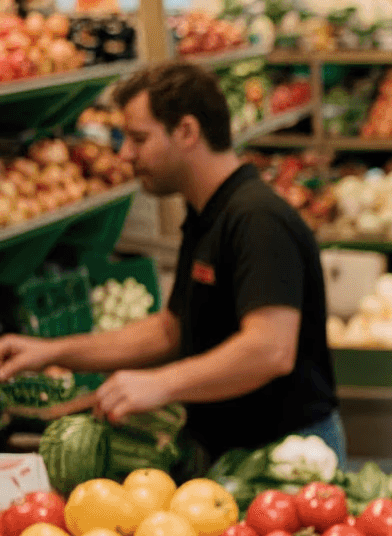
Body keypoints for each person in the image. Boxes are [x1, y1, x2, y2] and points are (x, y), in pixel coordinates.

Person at [0, 61, 341, 462]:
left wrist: (161, 384)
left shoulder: (256, 219)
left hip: (287, 457)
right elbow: (171, 331)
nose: (125, 154)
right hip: (233, 451)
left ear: (187, 132)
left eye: (138, 138)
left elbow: (270, 348)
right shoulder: (207, 215)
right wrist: (50, 352)